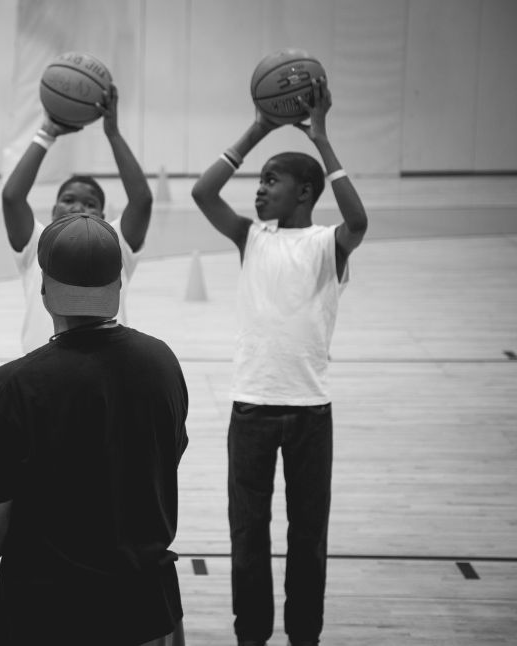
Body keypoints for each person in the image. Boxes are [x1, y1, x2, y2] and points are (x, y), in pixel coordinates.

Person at [190, 78, 368, 646]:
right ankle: (252, 636)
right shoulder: (252, 237)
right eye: (260, 180)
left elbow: (359, 221)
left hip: (311, 410)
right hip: (252, 408)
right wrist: (258, 129)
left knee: (308, 537)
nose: (259, 190)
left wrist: (321, 138)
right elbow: (202, 192)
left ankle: (304, 636)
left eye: (271, 181)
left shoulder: (326, 242)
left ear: (305, 192)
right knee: (248, 535)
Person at [0, 213, 189, 645]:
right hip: (147, 609)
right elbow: (162, 462)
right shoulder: (163, 364)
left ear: (44, 288)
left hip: (47, 613)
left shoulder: (15, 385)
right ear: (117, 286)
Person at [2, 83, 153, 353]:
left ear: (104, 217)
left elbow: (142, 200)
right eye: (68, 200)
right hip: (41, 370)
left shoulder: (114, 242)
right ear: (53, 211)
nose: (78, 207)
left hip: (103, 368)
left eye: (90, 204)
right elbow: (12, 198)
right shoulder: (37, 241)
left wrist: (113, 133)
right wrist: (46, 134)